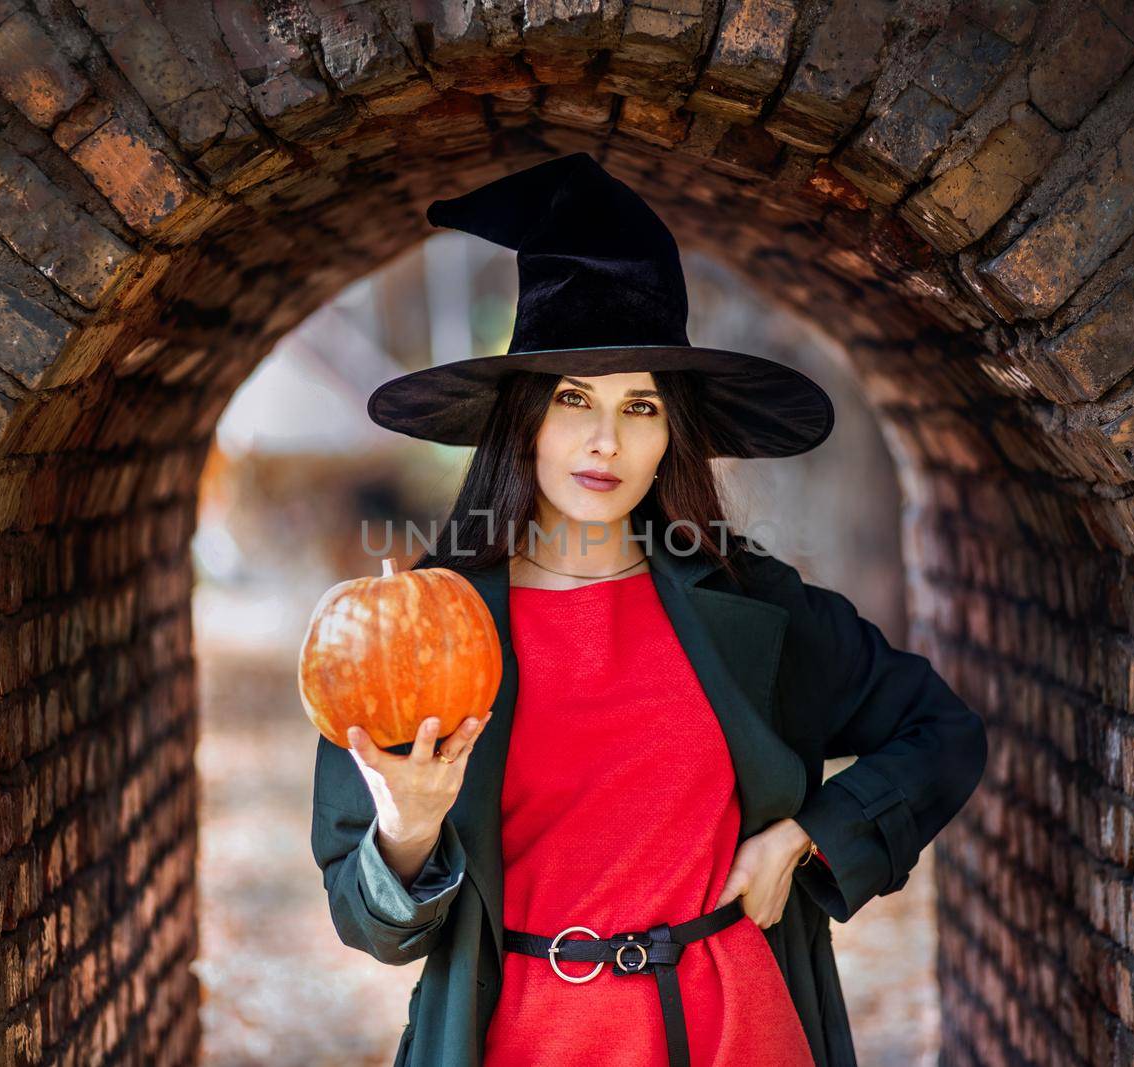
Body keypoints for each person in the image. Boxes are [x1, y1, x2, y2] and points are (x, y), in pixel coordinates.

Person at [310, 152, 989, 1067]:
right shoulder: (424, 630)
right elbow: (373, 927)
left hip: (736, 1030)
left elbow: (941, 729)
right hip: (527, 1037)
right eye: (574, 399)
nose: (605, 440)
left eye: (641, 406)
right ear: (524, 420)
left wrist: (806, 838)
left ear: (673, 433)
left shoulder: (749, 603)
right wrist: (408, 827)